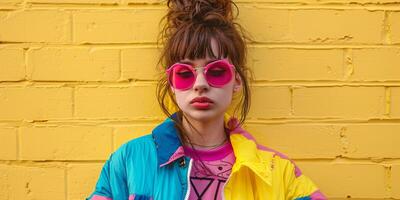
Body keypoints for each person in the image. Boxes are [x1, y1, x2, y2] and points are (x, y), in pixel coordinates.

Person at [87, 0, 327, 199]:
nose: (200, 84)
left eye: (216, 71)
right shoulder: (130, 161)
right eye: (184, 74)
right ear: (171, 84)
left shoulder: (277, 172)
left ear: (236, 81)